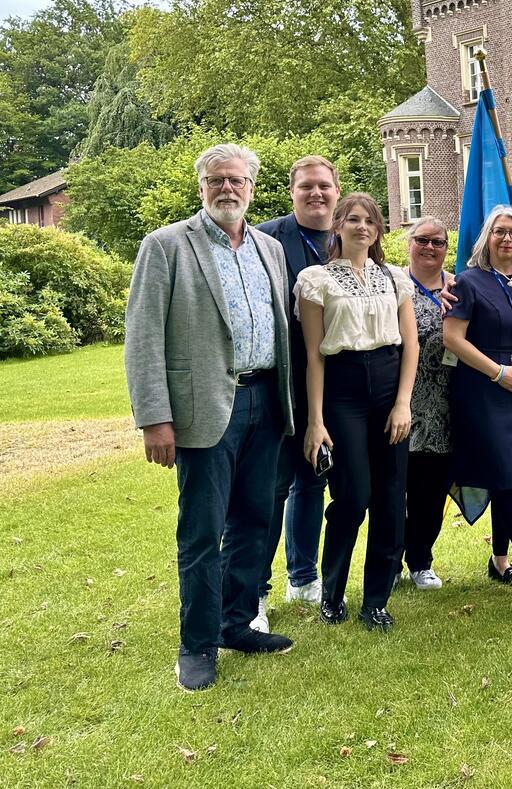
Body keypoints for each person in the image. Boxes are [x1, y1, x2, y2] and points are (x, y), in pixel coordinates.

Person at [125, 142, 295, 692]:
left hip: (267, 401)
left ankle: (236, 623)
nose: (228, 188)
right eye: (217, 180)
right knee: (201, 532)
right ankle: (196, 645)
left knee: (255, 521)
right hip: (203, 411)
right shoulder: (167, 246)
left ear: (251, 187)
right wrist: (155, 417)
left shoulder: (269, 248)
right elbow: (144, 335)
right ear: (202, 187)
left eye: (237, 180)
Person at [296, 194, 418, 631]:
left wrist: (403, 402)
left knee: (390, 498)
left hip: (389, 388)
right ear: (338, 226)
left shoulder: (395, 278)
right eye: (352, 219)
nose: (361, 226)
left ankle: (376, 600)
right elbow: (313, 357)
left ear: (379, 230)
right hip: (343, 391)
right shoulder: (316, 280)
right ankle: (332, 591)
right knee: (353, 496)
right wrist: (315, 420)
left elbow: (411, 345)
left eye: (370, 220)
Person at [442, 207, 512, 607]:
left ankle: (499, 559)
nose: (508, 239)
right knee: (506, 474)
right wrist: (497, 373)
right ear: (487, 238)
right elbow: (453, 339)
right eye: (500, 232)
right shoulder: (467, 283)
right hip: (485, 388)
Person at [252, 155, 338, 632]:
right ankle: (254, 594)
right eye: (307, 187)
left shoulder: (347, 239)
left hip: (331, 388)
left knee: (313, 480)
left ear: (337, 190)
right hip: (281, 388)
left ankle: (303, 576)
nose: (316, 194)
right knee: (271, 489)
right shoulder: (265, 240)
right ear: (292, 192)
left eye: (324, 186)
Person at [400, 216, 455, 591]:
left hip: (446, 405)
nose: (430, 247)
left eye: (438, 242)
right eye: (422, 240)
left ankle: (421, 560)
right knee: (393, 490)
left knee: (432, 489)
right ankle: (389, 561)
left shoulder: (458, 286)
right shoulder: (391, 283)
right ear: (409, 244)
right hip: (401, 402)